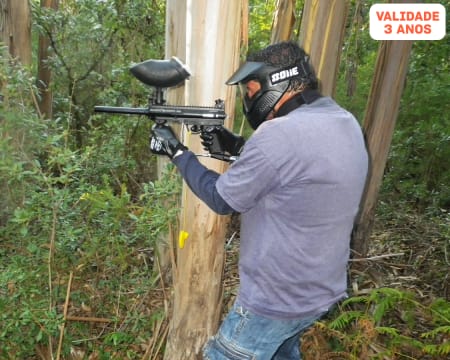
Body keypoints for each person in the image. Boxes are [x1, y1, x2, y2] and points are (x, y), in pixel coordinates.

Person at [149, 41, 368, 360]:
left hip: (276, 301)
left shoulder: (279, 135)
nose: (249, 96)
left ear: (276, 83)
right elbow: (297, 172)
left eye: (251, 88)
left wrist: (177, 151)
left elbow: (221, 199)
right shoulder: (342, 120)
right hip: (320, 290)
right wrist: (238, 147)